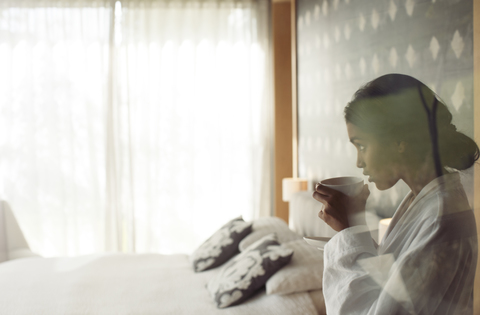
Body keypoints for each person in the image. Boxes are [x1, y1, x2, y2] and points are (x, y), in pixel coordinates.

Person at [313, 73, 478, 315]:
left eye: (362, 146)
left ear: (399, 140)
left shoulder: (442, 217)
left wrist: (347, 231)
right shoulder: (422, 200)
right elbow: (393, 286)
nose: (359, 162)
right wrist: (352, 227)